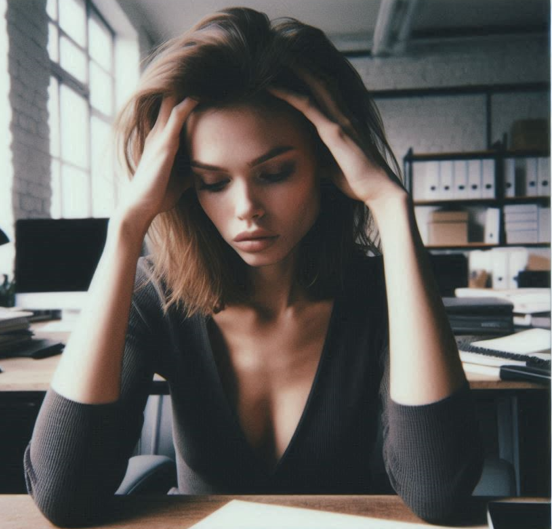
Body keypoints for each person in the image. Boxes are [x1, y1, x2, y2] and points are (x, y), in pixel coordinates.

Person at [24, 7, 483, 527]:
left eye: (276, 172)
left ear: (329, 165)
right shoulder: (158, 295)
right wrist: (127, 227)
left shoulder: (382, 294)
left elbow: (439, 492)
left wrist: (391, 205)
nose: (246, 208)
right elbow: (64, 497)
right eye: (213, 182)